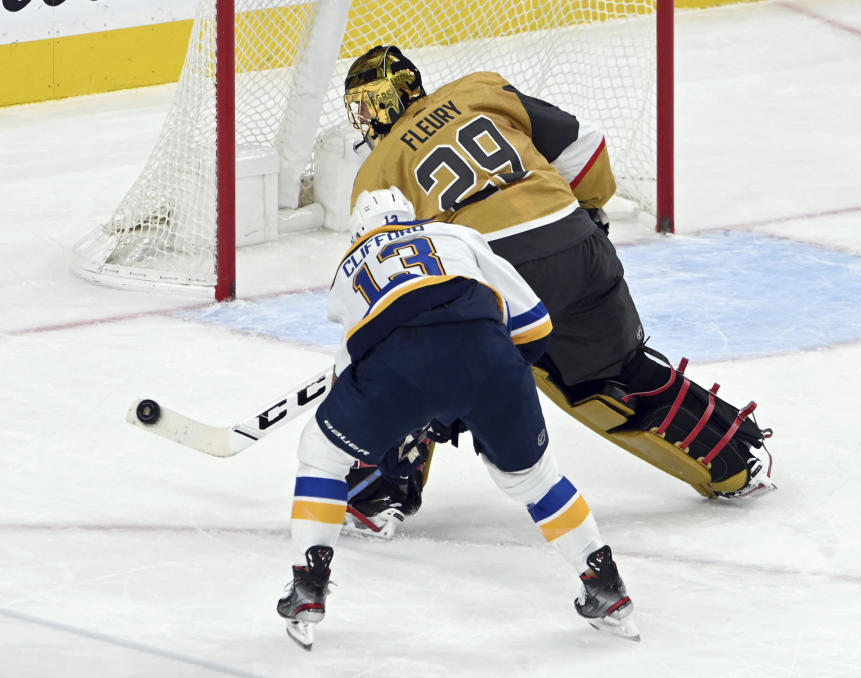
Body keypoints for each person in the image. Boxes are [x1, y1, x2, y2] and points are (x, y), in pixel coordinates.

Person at [337, 45, 775, 532]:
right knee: (615, 374)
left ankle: (377, 496)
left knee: (411, 361)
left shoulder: (376, 173)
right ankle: (735, 461)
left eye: (366, 103)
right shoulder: (480, 88)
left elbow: (395, 279)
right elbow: (585, 149)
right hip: (580, 246)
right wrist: (584, 212)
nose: (364, 116)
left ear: (388, 99)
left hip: (502, 276)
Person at [276, 187, 639, 649]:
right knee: (534, 480)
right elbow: (535, 324)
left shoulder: (347, 272)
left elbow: (354, 365)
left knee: (323, 455)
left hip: (398, 364)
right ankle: (607, 586)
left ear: (359, 231)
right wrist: (481, 387)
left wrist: (415, 410)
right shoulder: (456, 235)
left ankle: (309, 586)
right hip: (490, 355)